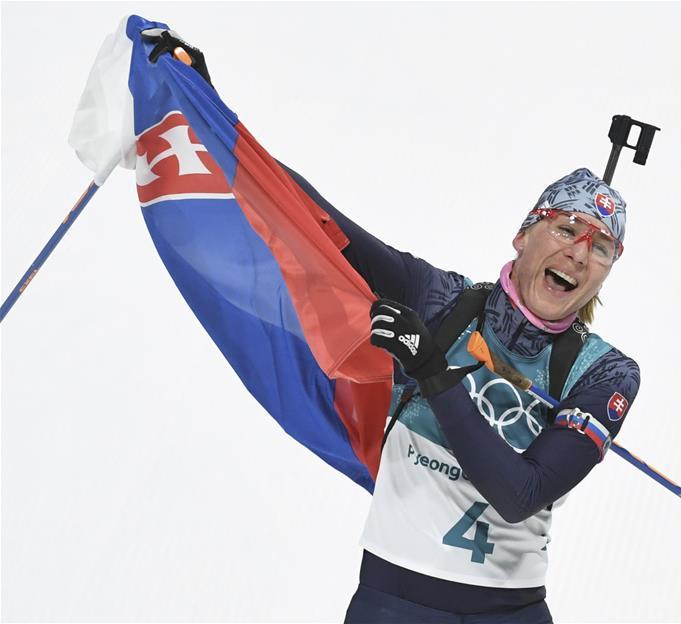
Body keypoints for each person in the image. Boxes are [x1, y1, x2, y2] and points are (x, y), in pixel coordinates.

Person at [144, 30, 640, 624]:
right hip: (394, 605)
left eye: (603, 248)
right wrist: (212, 115)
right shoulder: (442, 300)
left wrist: (431, 369)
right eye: (567, 230)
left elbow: (519, 495)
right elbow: (317, 224)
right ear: (524, 234)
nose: (581, 255)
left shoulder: (606, 373)